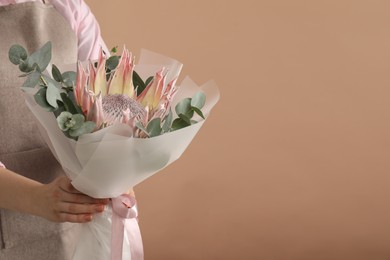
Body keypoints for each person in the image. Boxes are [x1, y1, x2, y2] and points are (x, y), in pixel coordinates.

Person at [0, 0, 139, 259]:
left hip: (69, 219)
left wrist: (116, 171)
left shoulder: (68, 7)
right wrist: (37, 198)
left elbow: (108, 95)